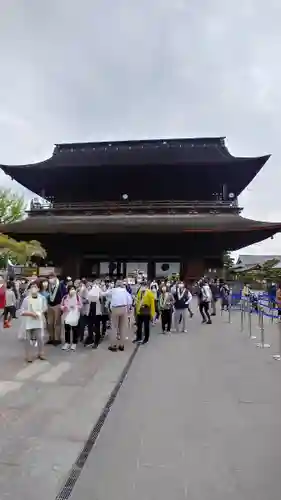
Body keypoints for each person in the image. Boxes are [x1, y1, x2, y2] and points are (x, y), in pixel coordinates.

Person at [21, 283, 47, 363]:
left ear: (38, 289)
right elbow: (22, 311)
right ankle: (28, 355)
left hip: (38, 321)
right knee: (28, 339)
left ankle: (41, 353)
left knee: (40, 338)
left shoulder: (42, 298)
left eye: (35, 287)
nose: (33, 289)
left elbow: (45, 307)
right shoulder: (26, 299)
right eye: (32, 287)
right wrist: (30, 314)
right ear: (29, 289)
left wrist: (40, 312)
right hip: (28, 321)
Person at [105, 280, 132, 352]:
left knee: (114, 327)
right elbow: (129, 300)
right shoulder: (125, 291)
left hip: (115, 309)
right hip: (124, 308)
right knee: (122, 327)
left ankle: (113, 346)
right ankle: (121, 345)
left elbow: (105, 294)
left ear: (116, 284)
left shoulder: (113, 290)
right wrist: (129, 309)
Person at [47, 273, 67, 345]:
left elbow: (65, 295)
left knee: (57, 323)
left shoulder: (61, 285)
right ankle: (51, 338)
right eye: (49, 278)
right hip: (49, 305)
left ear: (55, 277)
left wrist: (63, 305)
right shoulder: (48, 285)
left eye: (52, 277)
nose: (50, 279)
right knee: (49, 323)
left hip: (58, 305)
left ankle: (57, 339)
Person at [61, 285, 82, 351]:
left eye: (73, 289)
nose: (72, 290)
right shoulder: (65, 297)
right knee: (67, 329)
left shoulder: (78, 297)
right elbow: (61, 305)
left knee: (75, 329)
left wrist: (76, 307)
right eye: (70, 289)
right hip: (67, 315)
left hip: (75, 315)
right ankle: (67, 342)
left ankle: (74, 343)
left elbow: (81, 305)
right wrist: (64, 307)